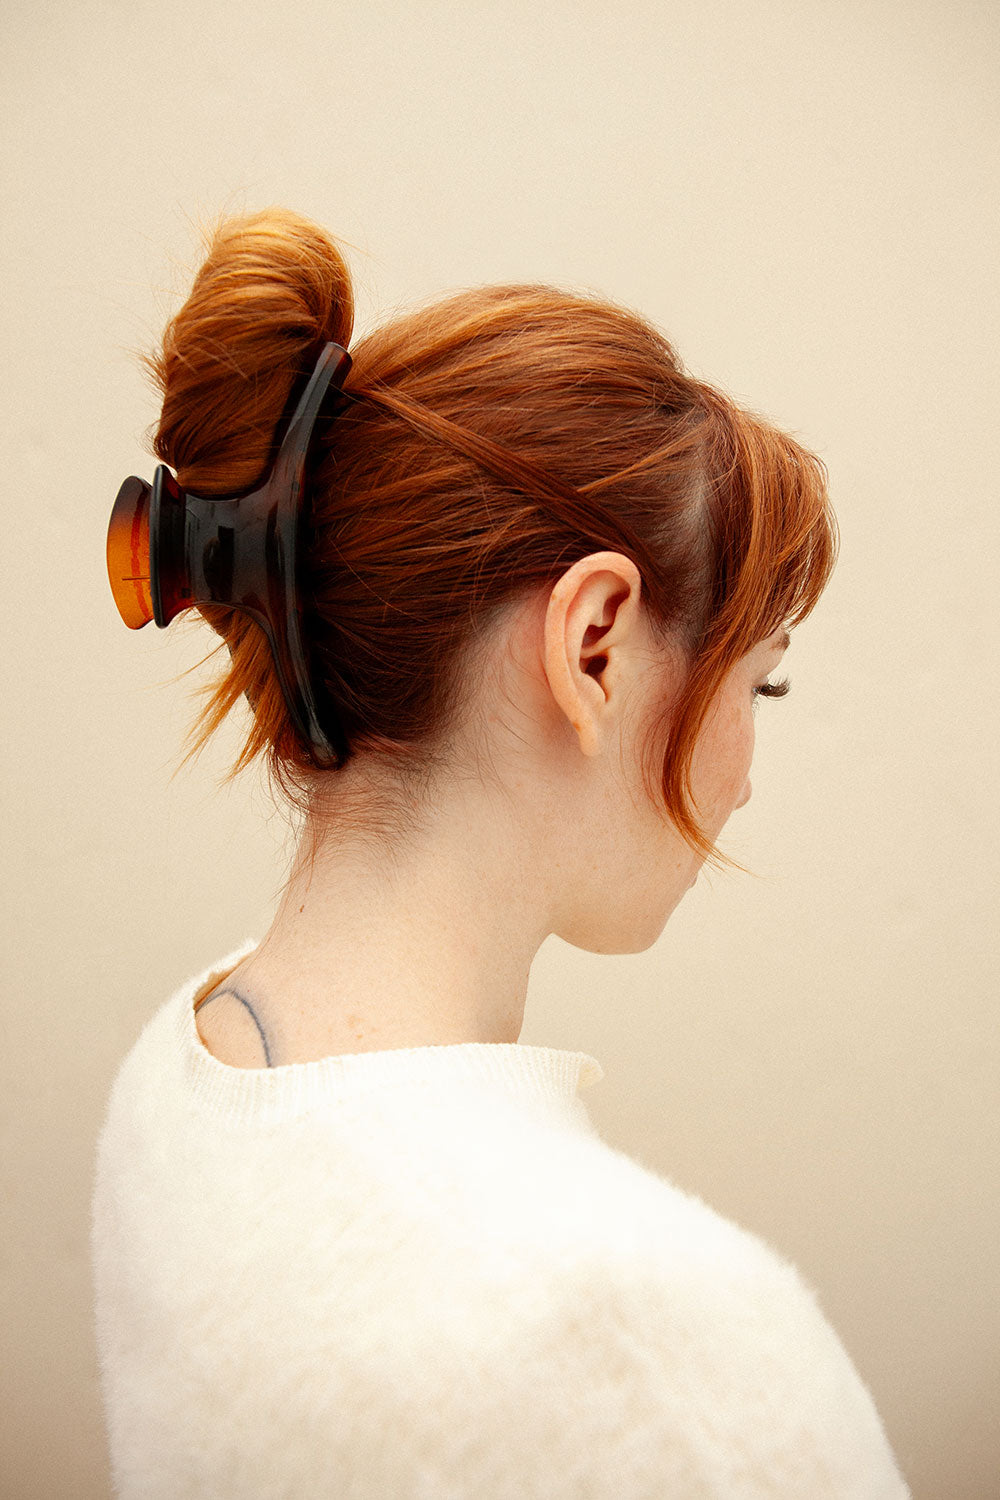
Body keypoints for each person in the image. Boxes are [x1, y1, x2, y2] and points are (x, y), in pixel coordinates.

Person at [91, 208, 910, 1498]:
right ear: (596, 647)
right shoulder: (659, 1353)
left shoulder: (186, 1067)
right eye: (766, 688)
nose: (747, 782)